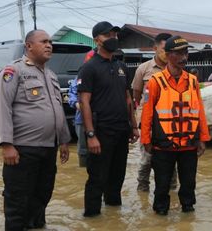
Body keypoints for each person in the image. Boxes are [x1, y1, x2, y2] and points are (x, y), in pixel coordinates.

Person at [0, 30, 70, 230]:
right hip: (22, 149)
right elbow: (2, 106)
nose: (49, 45)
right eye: (44, 42)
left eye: (50, 42)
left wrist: (63, 140)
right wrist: (6, 144)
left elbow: (57, 109)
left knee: (42, 196)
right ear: (29, 46)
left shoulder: (51, 75)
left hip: (48, 148)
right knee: (18, 202)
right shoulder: (14, 71)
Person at [140, 35, 210, 215]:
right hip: (163, 144)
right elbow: (147, 113)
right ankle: (160, 212)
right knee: (162, 184)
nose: (183, 58)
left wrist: (203, 137)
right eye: (178, 53)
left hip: (188, 143)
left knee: (189, 183)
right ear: (168, 55)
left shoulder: (193, 81)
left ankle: (188, 210)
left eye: (185, 53)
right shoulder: (155, 81)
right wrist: (146, 140)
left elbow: (199, 110)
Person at [77, 21, 140, 217]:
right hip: (100, 131)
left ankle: (113, 217)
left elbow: (128, 97)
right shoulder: (89, 68)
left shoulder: (121, 66)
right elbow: (84, 102)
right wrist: (90, 135)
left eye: (114, 35)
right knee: (97, 177)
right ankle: (93, 218)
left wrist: (134, 126)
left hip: (121, 130)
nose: (112, 39)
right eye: (107, 35)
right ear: (97, 40)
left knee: (117, 176)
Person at [131, 33, 177, 192]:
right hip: (148, 121)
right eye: (164, 49)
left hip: (171, 121)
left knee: (172, 158)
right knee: (147, 158)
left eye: (170, 50)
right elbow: (136, 96)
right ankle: (143, 189)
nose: (167, 53)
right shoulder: (143, 69)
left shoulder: (176, 69)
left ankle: (171, 190)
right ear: (155, 48)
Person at [69, 54, 94, 167]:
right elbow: (72, 95)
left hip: (102, 119)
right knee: (83, 148)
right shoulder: (79, 77)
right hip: (82, 119)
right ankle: (83, 168)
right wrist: (77, 104)